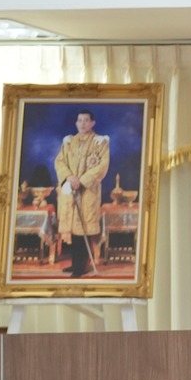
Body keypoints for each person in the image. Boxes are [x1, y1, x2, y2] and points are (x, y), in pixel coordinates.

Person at [53, 110, 110, 278]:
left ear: (92, 123)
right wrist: (69, 177)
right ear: (76, 123)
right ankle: (75, 264)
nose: (82, 124)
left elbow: (102, 166)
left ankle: (81, 266)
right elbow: (60, 161)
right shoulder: (69, 142)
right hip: (70, 190)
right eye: (80, 120)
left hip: (87, 191)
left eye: (86, 120)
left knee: (83, 229)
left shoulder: (100, 142)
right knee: (73, 230)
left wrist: (82, 181)